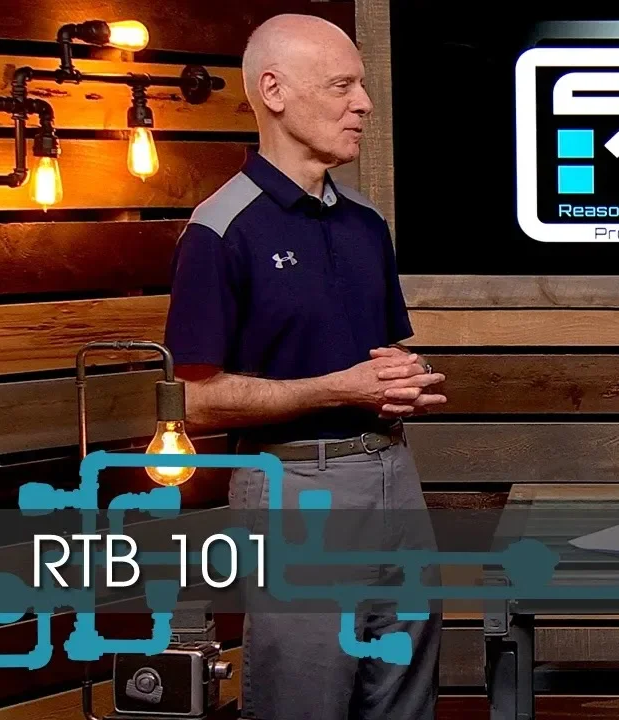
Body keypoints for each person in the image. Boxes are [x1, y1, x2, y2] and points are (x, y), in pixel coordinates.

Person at [162, 14, 445, 720]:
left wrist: (402, 379)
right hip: (296, 489)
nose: (364, 104)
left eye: (361, 87)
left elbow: (374, 356)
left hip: (394, 473)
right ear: (274, 91)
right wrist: (337, 389)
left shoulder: (365, 222)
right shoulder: (219, 230)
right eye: (342, 86)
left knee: (406, 691)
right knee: (304, 700)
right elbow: (193, 401)